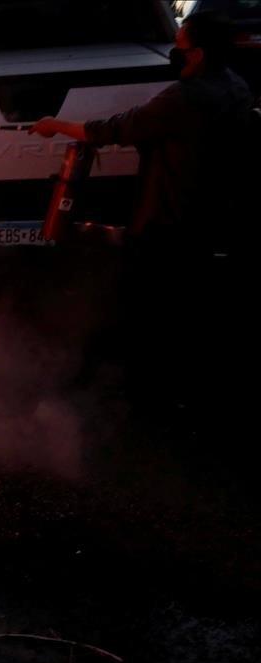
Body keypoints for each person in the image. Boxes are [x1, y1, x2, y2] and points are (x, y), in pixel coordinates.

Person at [29, 10, 254, 415]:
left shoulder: (185, 98)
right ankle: (187, 386)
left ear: (199, 54)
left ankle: (151, 396)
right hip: (210, 217)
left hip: (166, 222)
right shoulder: (235, 88)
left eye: (180, 48)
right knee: (190, 304)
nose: (174, 54)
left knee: (149, 307)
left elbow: (113, 129)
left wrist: (55, 125)